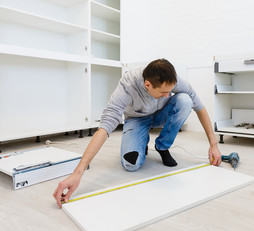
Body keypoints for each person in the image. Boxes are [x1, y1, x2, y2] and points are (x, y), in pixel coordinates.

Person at [53, 59, 222, 208]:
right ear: (148, 85)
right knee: (130, 165)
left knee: (185, 100)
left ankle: (162, 147)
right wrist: (77, 173)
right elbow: (105, 127)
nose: (168, 94)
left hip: (161, 114)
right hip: (137, 119)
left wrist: (213, 145)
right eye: (163, 92)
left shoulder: (173, 81)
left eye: (169, 91)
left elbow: (200, 108)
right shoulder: (128, 84)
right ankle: (141, 142)